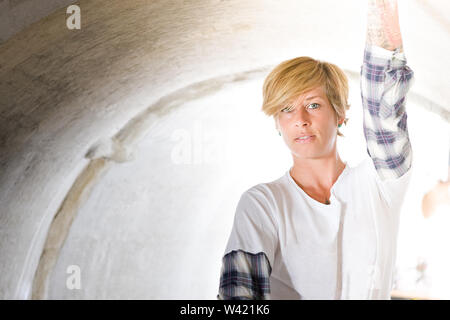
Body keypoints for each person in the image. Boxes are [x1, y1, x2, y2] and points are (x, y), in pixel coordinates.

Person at [217, 0, 415, 300]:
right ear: (277, 123)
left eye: (313, 105)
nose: (300, 120)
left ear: (340, 114)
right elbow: (239, 297)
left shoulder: (379, 185)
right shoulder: (262, 204)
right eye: (286, 109)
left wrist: (381, 18)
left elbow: (384, 114)